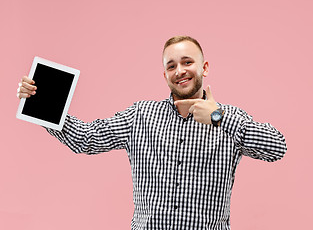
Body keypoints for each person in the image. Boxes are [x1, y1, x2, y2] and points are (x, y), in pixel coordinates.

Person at [17, 36, 287, 230]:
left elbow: (277, 148)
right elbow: (87, 139)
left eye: (187, 62)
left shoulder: (230, 118)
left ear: (204, 68)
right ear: (165, 75)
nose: (179, 71)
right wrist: (39, 102)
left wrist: (218, 118)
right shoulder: (140, 116)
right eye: (171, 66)